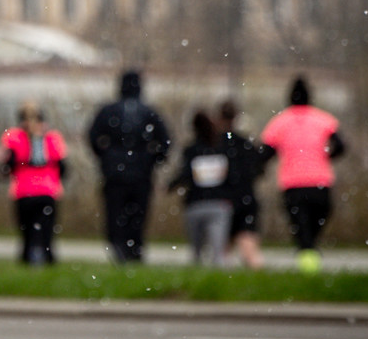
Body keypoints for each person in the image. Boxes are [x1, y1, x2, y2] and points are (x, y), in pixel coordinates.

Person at [259, 76, 345, 274]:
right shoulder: (323, 119)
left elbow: (265, 153)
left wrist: (257, 169)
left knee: (301, 226)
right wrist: (325, 157)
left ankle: (308, 262)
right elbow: (341, 146)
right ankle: (310, 260)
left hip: (293, 185)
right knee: (315, 224)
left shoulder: (280, 122)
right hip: (320, 183)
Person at [86, 71, 172, 263]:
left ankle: (119, 247)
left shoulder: (108, 111)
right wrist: (152, 159)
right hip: (141, 173)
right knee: (137, 215)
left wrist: (106, 157)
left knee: (115, 213)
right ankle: (134, 249)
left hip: (115, 173)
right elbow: (165, 141)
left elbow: (92, 137)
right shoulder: (149, 112)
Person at [0, 103, 69, 266]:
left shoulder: (13, 138)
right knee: (47, 230)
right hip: (48, 190)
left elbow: (6, 166)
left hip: (24, 191)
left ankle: (27, 258)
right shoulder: (53, 138)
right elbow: (63, 167)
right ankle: (48, 258)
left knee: (27, 231)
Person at [166, 112, 234, 266]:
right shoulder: (222, 149)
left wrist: (170, 186)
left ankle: (198, 271)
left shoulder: (191, 150)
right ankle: (218, 273)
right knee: (217, 250)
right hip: (219, 204)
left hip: (195, 204)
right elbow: (232, 176)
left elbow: (184, 175)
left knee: (197, 251)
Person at [218, 100, 270, 270]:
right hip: (247, 200)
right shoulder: (246, 144)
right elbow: (260, 169)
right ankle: (258, 276)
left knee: (222, 253)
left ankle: (224, 280)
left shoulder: (216, 144)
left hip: (224, 201)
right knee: (249, 248)